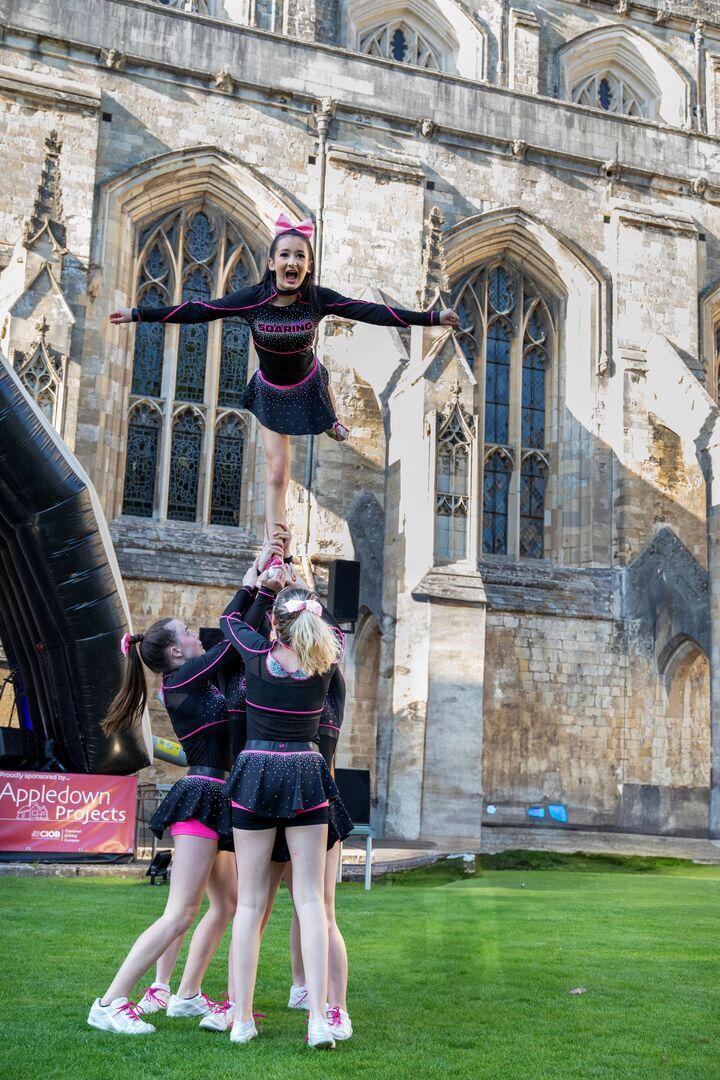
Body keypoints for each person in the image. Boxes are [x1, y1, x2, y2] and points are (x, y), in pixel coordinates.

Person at [109, 215, 460, 545]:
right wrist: (137, 314)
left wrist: (433, 318)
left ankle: (330, 420)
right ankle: (275, 542)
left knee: (320, 387)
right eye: (285, 255)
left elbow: (371, 311)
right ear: (272, 263)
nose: (292, 262)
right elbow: (199, 311)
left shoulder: (317, 299)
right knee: (278, 473)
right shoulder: (252, 300)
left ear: (307, 265)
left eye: (300, 256)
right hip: (271, 392)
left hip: (308, 383)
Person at [86, 544, 280, 1036]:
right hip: (200, 797)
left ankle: (187, 995)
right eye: (189, 634)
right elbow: (234, 645)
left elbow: (238, 635)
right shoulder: (182, 681)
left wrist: (256, 581)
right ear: (176, 651)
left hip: (218, 799)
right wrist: (257, 587)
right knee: (180, 914)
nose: (197, 636)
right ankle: (110, 1002)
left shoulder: (194, 676)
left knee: (229, 906)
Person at [219, 570, 351, 1048]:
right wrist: (305, 585)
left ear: (274, 624)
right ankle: (318, 1017)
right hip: (305, 770)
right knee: (311, 901)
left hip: (256, 769)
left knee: (250, 905)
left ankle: (241, 1021)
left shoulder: (257, 655)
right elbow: (334, 628)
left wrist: (256, 584)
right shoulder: (326, 658)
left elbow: (228, 618)